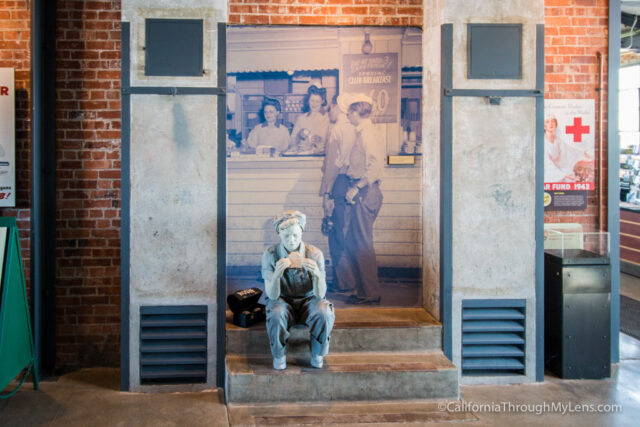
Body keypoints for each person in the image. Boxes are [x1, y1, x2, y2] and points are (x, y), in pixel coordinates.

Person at [262, 210, 335, 370]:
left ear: (302, 231)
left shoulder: (315, 254)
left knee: (324, 311)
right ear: (279, 234)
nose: (291, 240)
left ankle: (317, 353)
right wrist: (276, 275)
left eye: (295, 235)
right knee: (275, 312)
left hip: (309, 301)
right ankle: (279, 355)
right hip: (282, 301)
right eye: (286, 236)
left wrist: (317, 274)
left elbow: (320, 294)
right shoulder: (270, 255)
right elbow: (272, 295)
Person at [335, 94, 385, 305]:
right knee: (356, 241)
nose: (347, 115)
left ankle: (370, 293)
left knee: (362, 243)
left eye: (349, 111)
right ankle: (365, 290)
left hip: (365, 192)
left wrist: (356, 187)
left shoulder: (367, 134)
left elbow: (376, 167)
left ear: (357, 111)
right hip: (364, 191)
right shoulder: (362, 133)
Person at [319, 94, 357, 294]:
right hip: (354, 185)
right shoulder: (355, 128)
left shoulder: (337, 130)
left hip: (338, 184)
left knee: (336, 233)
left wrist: (326, 194)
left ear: (337, 107)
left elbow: (332, 167)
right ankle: (351, 279)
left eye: (330, 106)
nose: (328, 111)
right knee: (349, 231)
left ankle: (344, 282)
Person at [289, 85, 330, 153]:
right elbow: (292, 140)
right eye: (312, 101)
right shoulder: (301, 118)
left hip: (320, 157)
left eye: (317, 101)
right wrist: (298, 144)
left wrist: (311, 146)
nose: (314, 104)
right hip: (302, 155)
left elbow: (326, 141)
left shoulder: (327, 118)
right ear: (308, 101)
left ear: (322, 101)